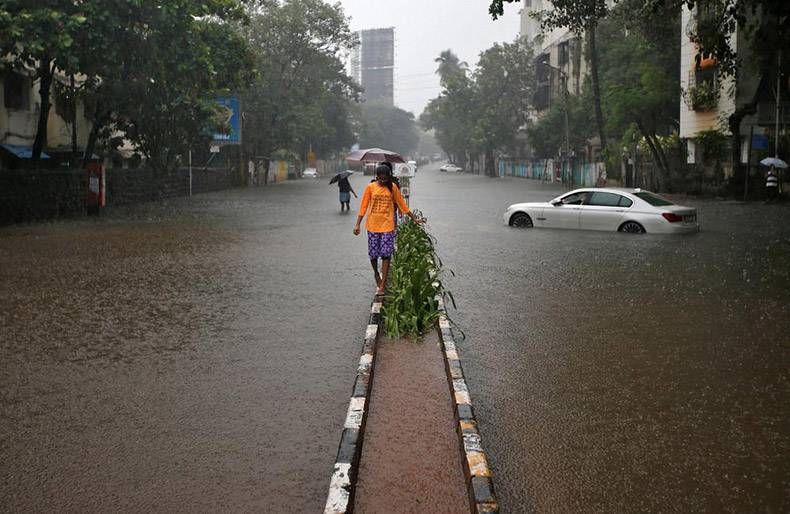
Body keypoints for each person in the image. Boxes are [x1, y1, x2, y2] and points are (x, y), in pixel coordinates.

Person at [353, 163, 424, 295]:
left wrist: (414, 219)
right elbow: (363, 206)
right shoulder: (370, 187)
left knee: (386, 254)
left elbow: (402, 205)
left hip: (387, 225)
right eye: (380, 178)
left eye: (385, 178)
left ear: (388, 177)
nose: (382, 180)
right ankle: (376, 274)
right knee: (373, 254)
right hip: (373, 225)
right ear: (377, 176)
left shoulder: (393, 188)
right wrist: (357, 224)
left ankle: (383, 283)